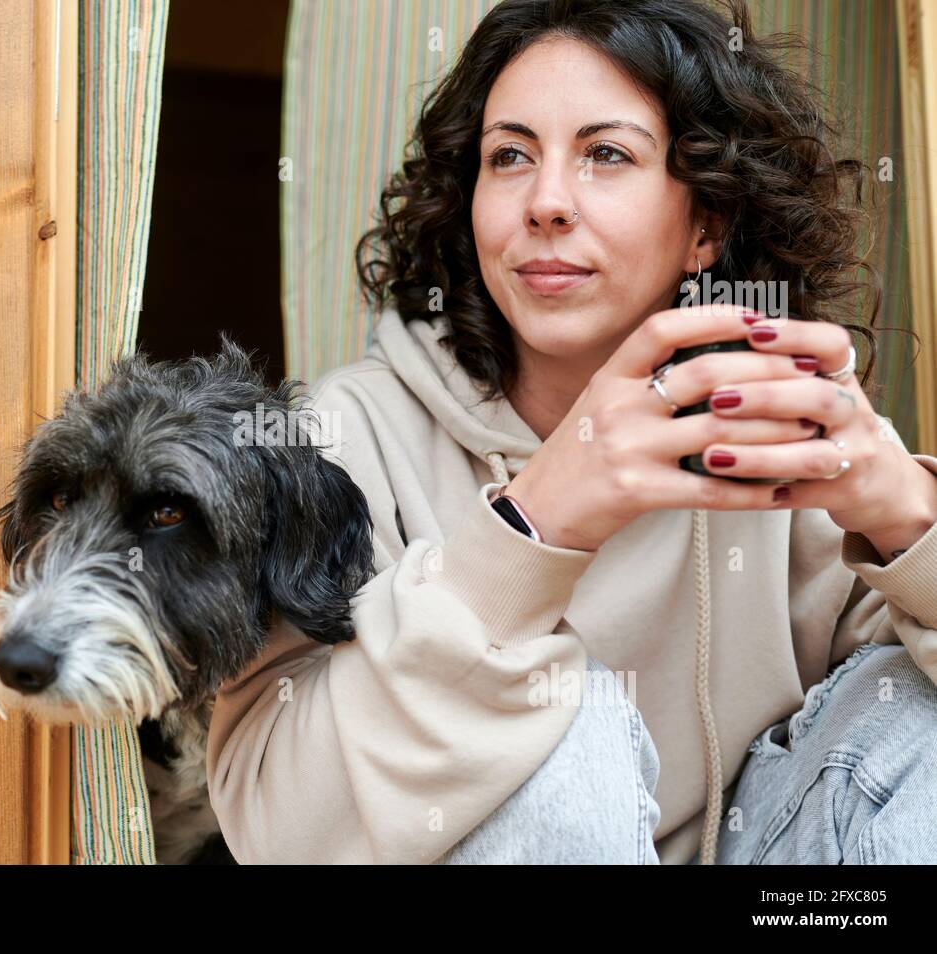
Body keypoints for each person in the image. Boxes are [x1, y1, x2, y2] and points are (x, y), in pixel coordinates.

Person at [206, 0, 937, 864]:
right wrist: (533, 528)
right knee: (554, 703)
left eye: (606, 155)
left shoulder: (773, 421)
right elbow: (274, 834)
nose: (547, 202)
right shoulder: (341, 438)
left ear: (704, 225)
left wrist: (907, 516)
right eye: (509, 156)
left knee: (913, 699)